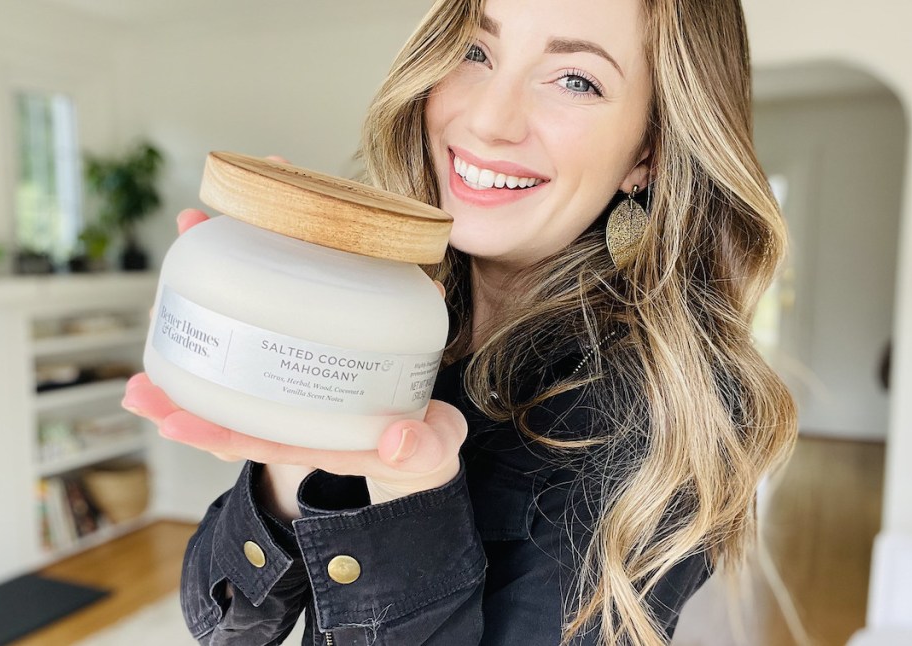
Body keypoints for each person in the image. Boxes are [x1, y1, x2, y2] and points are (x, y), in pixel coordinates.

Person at [122, 0, 798, 643]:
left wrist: (407, 494)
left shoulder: (668, 412)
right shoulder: (393, 316)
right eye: (475, 50)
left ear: (646, 151)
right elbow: (225, 624)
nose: (489, 120)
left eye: (574, 79)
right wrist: (292, 452)